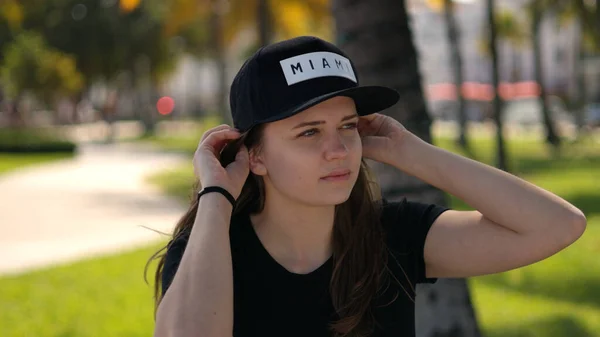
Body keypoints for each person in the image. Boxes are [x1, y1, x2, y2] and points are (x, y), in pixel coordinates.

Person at [150, 36, 586, 337]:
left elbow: (558, 226)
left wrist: (407, 150)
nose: (339, 149)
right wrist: (217, 196)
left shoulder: (392, 236)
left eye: (347, 126)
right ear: (255, 155)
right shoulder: (208, 253)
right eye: (309, 133)